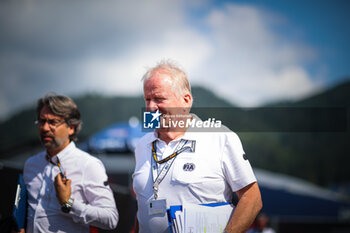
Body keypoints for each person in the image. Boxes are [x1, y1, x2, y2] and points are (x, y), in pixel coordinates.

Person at [132, 61, 262, 233]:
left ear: (186, 101)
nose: (150, 107)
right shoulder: (142, 145)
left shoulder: (220, 138)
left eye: (159, 99)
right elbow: (143, 208)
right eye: (147, 99)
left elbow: (252, 198)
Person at [23, 93, 119, 232]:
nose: (44, 128)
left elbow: (111, 219)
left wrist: (69, 204)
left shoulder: (88, 164)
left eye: (53, 122)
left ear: (71, 127)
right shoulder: (31, 165)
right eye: (42, 121)